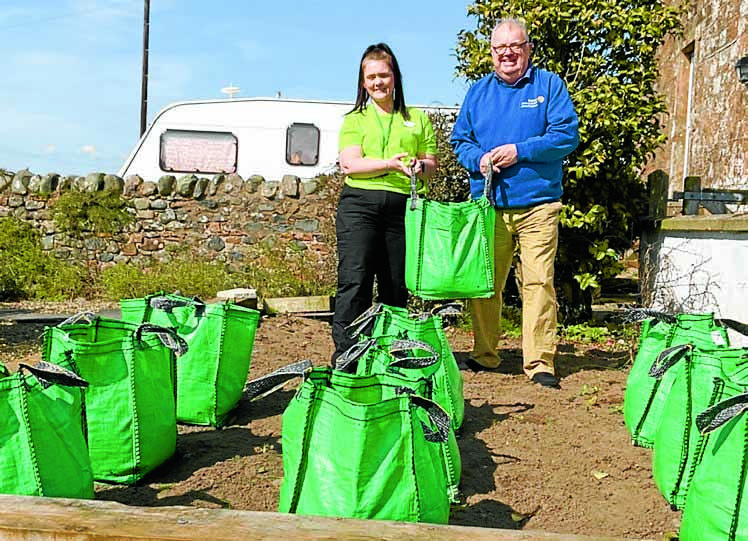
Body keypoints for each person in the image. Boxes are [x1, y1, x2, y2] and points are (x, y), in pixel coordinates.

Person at [450, 18, 579, 389]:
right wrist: (478, 159)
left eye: (515, 46)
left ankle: (539, 363)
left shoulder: (549, 85)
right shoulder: (478, 92)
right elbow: (461, 141)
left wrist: (519, 151)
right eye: (499, 48)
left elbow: (566, 136)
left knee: (539, 282)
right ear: (491, 54)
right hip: (488, 205)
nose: (507, 53)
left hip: (538, 205)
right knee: (485, 284)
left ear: (528, 49)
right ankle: (484, 354)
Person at [331, 43, 437, 360]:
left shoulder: (418, 119)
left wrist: (420, 166)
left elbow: (430, 165)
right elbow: (350, 164)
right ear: (363, 82)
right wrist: (390, 164)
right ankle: (347, 354)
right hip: (359, 205)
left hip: (402, 208)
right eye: (371, 77)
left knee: (395, 287)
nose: (378, 82)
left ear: (395, 77)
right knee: (355, 280)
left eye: (383, 75)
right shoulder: (354, 120)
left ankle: (392, 352)